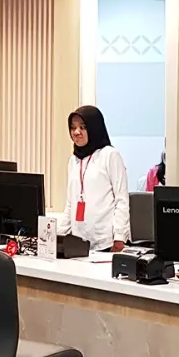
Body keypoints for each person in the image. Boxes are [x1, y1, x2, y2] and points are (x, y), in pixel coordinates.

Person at [56, 106, 130, 252]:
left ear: (94, 128)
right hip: (78, 244)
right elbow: (70, 204)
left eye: (82, 127)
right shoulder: (73, 161)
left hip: (106, 243)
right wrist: (57, 237)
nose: (76, 132)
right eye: (73, 127)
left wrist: (120, 237)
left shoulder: (110, 155)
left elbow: (121, 199)